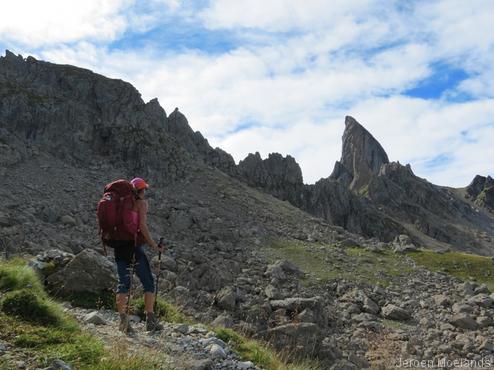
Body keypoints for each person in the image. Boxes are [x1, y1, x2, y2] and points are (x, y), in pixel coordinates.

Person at [115, 177, 164, 334]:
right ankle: (150, 320)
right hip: (134, 248)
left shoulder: (121, 203)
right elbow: (142, 226)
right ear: (141, 191)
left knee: (123, 283)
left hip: (119, 246)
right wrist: (154, 246)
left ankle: (123, 320)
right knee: (148, 282)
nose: (145, 193)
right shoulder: (141, 204)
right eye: (145, 190)